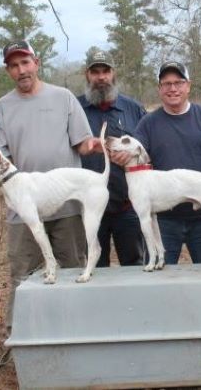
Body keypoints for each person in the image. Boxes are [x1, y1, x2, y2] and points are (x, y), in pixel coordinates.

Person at [0, 40, 103, 330]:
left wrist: (98, 145)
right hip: (23, 212)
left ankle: (78, 331)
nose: (21, 70)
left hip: (65, 206)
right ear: (8, 71)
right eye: (14, 65)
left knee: (74, 269)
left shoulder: (63, 98)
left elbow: (82, 142)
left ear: (36, 63)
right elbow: (1, 161)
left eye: (25, 62)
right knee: (22, 275)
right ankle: (22, 338)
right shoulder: (2, 108)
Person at [116, 61, 201, 265]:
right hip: (164, 220)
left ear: (188, 85)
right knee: (160, 282)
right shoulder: (148, 123)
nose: (173, 88)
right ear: (160, 89)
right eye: (167, 83)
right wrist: (121, 157)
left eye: (178, 82)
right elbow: (135, 153)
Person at [79, 49, 146, 267]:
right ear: (86, 75)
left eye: (105, 71)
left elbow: (147, 150)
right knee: (94, 267)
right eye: (95, 71)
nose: (101, 77)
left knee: (135, 265)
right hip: (88, 206)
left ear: (113, 73)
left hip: (128, 206)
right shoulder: (75, 109)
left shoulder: (133, 109)